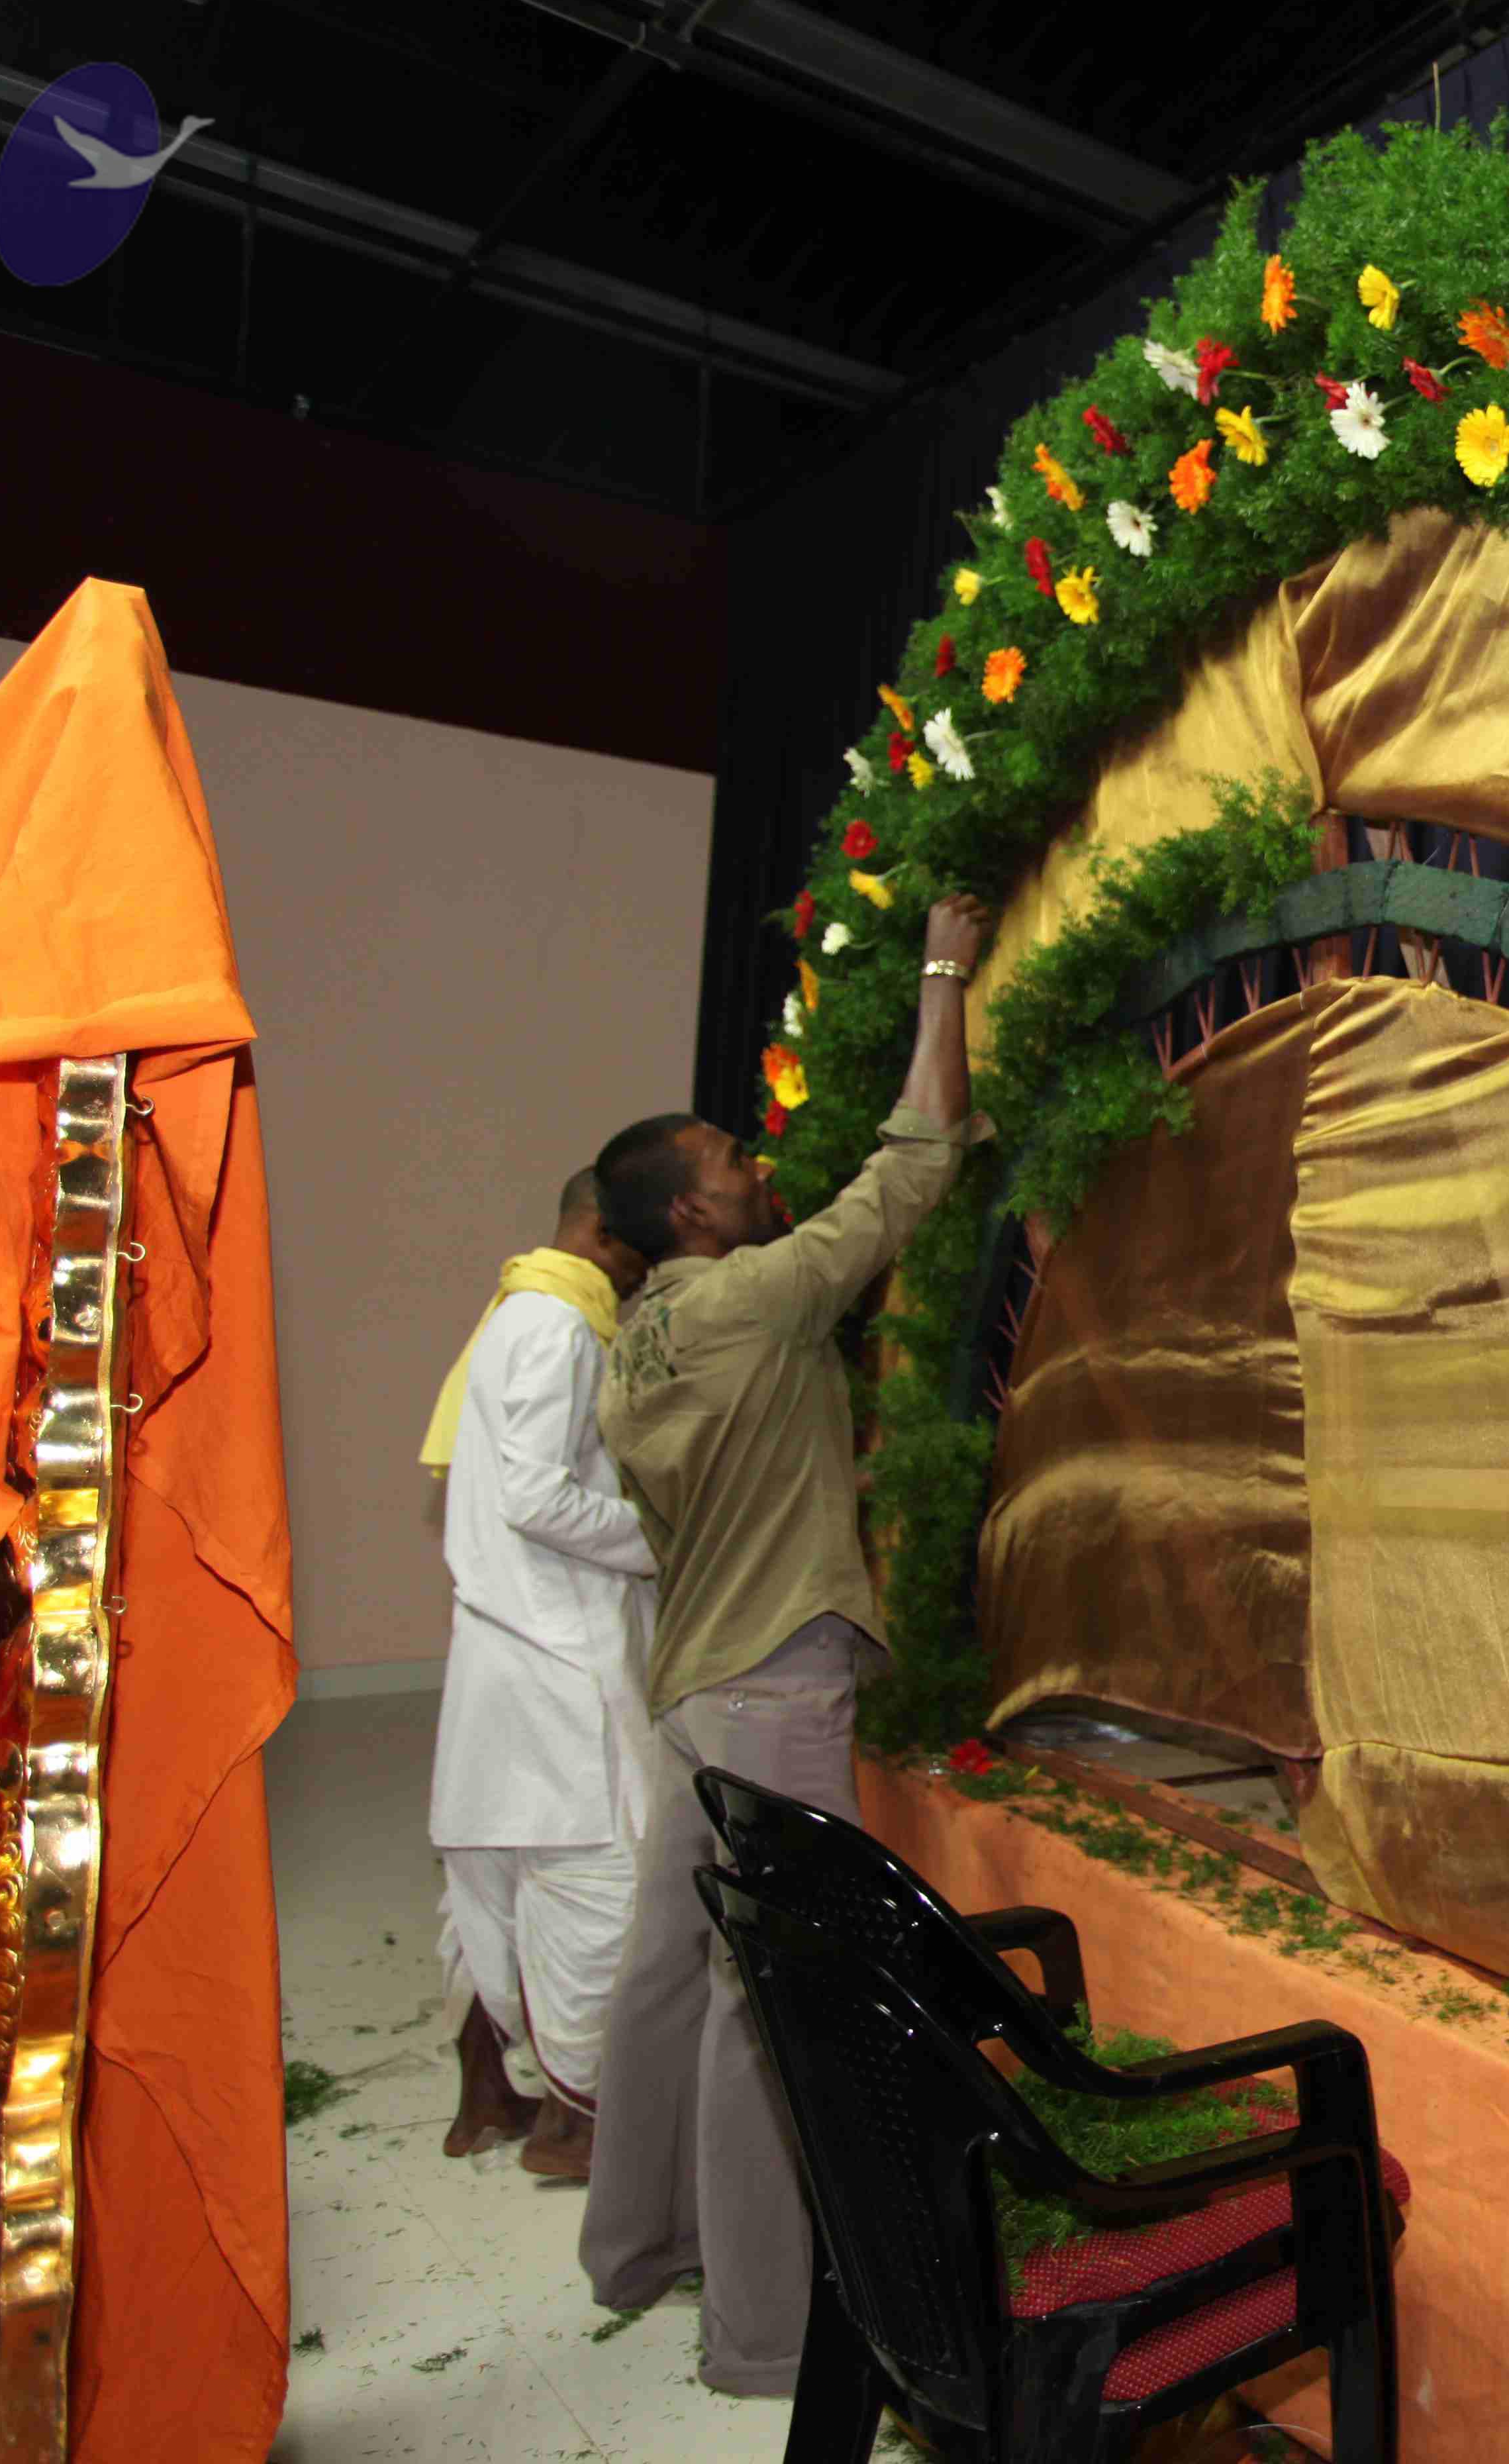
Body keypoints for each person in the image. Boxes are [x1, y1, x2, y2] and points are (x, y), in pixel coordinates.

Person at [576, 893, 991, 2396]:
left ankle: (636, 2247)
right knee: (777, 2000)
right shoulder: (754, 1302)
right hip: (767, 1687)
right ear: (689, 1217)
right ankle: (761, 2337)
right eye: (732, 1163)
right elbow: (917, 1160)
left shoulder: (632, 1347)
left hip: (692, 1685)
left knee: (667, 1972)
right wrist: (943, 971)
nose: (759, 1167)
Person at [420, 1167, 657, 2181]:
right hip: (558, 1657)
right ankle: (577, 2126)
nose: (650, 1263)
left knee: (497, 1881)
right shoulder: (559, 1325)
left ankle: (486, 2096)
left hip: (505, 1648)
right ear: (601, 1230)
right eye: (642, 1240)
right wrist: (665, 1535)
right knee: (598, 1886)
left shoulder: (522, 1308)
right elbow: (535, 1496)